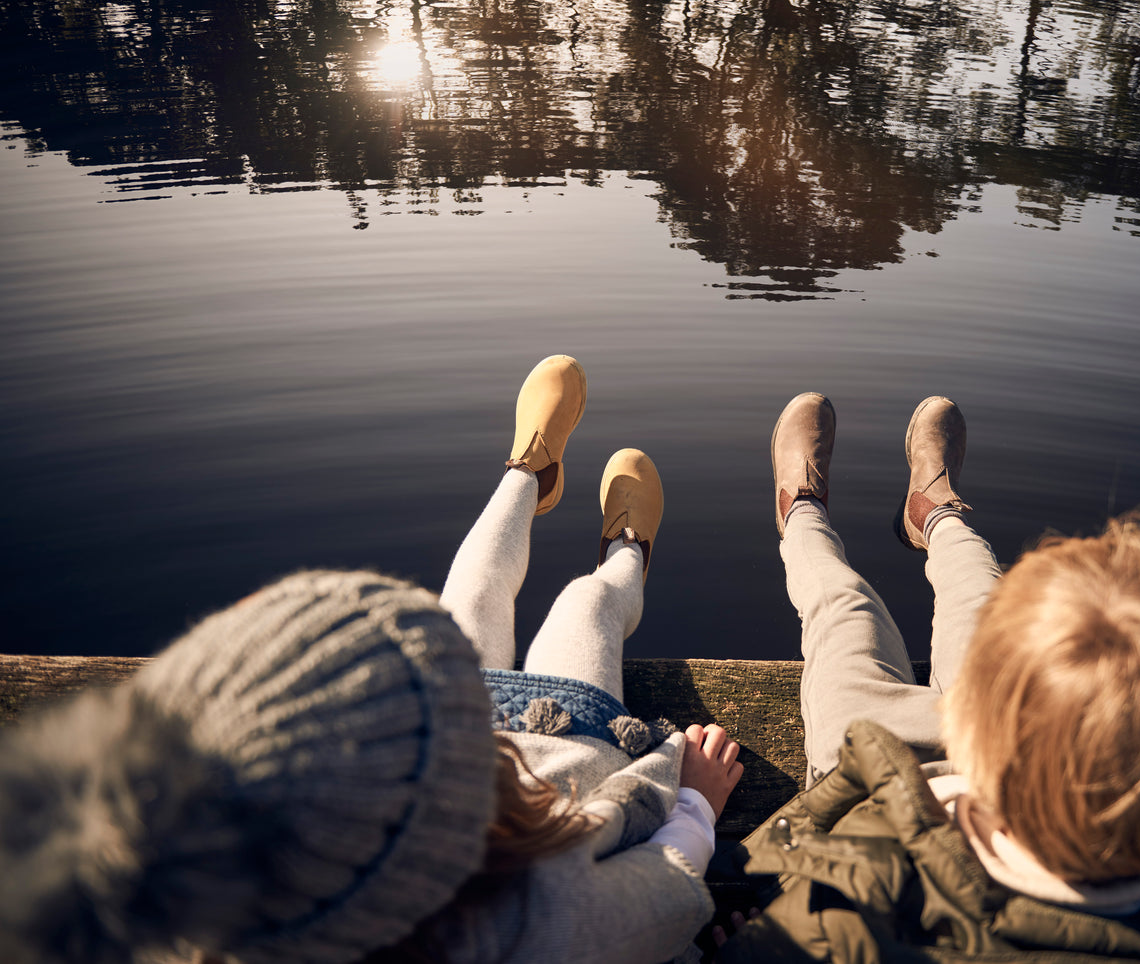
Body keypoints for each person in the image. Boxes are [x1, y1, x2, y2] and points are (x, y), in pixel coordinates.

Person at [0, 355, 743, 964]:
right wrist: (695, 803)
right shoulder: (538, 922)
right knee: (585, 605)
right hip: (562, 752)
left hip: (422, 747)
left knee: (475, 588)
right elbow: (667, 885)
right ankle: (626, 552)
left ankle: (528, 468)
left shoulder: (212, 921)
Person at [715, 392, 1140, 962]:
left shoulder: (836, 934)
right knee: (981, 598)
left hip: (866, 783)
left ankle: (801, 511)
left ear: (970, 724)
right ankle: (934, 514)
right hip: (1004, 761)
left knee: (842, 607)